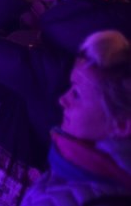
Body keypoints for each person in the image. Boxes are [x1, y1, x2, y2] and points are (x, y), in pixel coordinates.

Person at [20, 30, 131, 205]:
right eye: (71, 88)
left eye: (77, 94)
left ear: (122, 124)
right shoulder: (74, 166)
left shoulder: (106, 198)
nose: (63, 100)